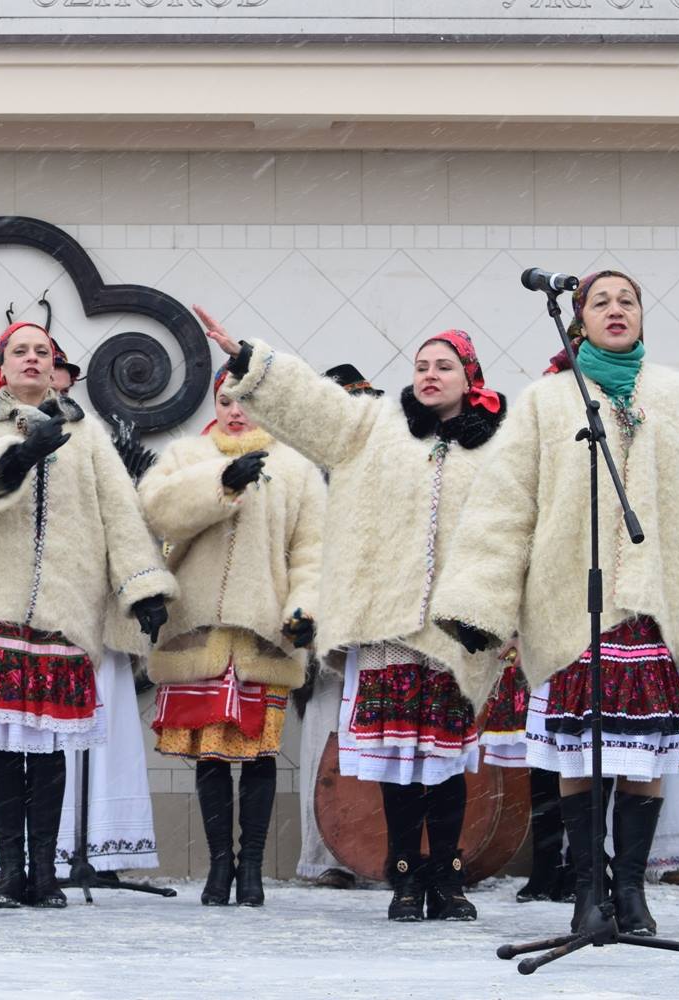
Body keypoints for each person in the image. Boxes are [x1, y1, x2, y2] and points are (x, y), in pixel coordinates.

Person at [433, 269, 679, 936]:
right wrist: (479, 603)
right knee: (581, 757)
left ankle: (631, 892)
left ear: (642, 317)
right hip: (571, 610)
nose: (616, 309)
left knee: (645, 757)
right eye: (601, 301)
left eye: (628, 300)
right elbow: (504, 508)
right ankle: (587, 891)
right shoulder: (546, 402)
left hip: (655, 608)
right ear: (580, 320)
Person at [203, 310, 508, 922]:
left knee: (445, 763)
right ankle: (402, 877)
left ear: (469, 377)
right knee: (399, 763)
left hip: (458, 627)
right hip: (389, 624)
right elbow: (317, 406)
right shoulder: (378, 426)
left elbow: (514, 533)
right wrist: (249, 361)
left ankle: (446, 879)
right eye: (421, 365)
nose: (429, 375)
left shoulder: (501, 448)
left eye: (443, 366)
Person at [0, 320, 175, 909]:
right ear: (3, 361)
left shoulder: (84, 432)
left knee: (49, 749)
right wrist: (15, 459)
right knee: (5, 749)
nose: (33, 359)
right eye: (21, 350)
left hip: (66, 606)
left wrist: (143, 588)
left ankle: (47, 870)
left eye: (43, 351)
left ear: (54, 362)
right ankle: (11, 871)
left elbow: (119, 510)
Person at [139, 367, 326, 906]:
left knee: (262, 754)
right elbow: (156, 513)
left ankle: (252, 868)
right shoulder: (183, 458)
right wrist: (220, 483)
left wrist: (303, 611)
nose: (236, 410)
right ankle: (220, 864)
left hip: (265, 634)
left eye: (246, 399)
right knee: (212, 756)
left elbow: (311, 553)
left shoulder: (296, 469)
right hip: (196, 632)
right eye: (225, 399)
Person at [294, 363, 383, 889]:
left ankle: (379, 852)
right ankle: (325, 855)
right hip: (325, 640)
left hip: (377, 633)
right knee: (324, 745)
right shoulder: (307, 475)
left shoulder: (385, 472)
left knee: (379, 748)